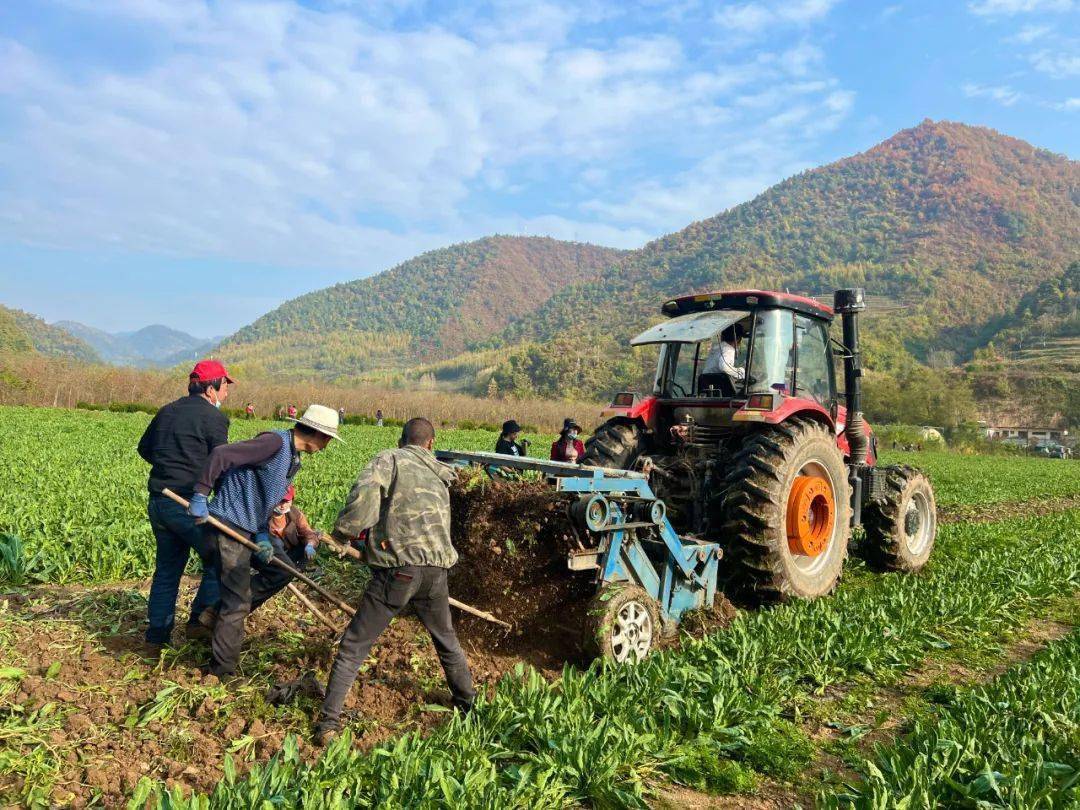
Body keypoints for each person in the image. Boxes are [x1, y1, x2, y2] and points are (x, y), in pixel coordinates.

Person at [314, 417, 474, 745]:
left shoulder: (390, 459)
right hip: (436, 572)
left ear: (402, 441)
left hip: (399, 571)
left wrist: (343, 533)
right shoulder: (441, 472)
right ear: (430, 443)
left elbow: (365, 493)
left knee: (353, 645)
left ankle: (328, 725)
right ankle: (469, 708)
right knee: (446, 640)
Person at [188, 404, 341, 677]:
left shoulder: (292, 460)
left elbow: (261, 499)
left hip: (248, 529)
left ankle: (214, 614)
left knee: (282, 571)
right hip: (225, 526)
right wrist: (201, 493)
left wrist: (261, 534)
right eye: (329, 438)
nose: (329, 444)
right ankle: (221, 672)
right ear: (319, 434)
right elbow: (222, 454)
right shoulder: (273, 443)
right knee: (237, 604)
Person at [136, 360, 232, 648]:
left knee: (167, 569)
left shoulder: (167, 411)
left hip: (159, 501)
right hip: (187, 504)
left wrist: (170, 467)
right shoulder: (215, 420)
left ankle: (156, 639)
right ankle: (199, 622)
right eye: (225, 385)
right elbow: (220, 463)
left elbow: (144, 449)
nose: (226, 392)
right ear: (211, 388)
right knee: (220, 559)